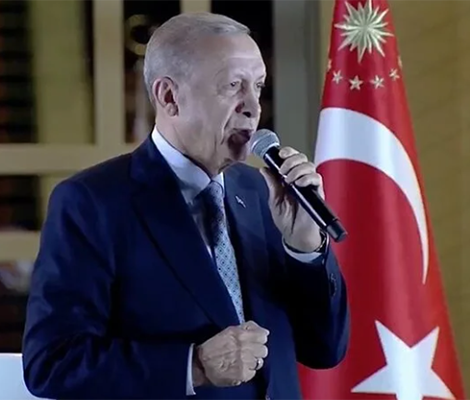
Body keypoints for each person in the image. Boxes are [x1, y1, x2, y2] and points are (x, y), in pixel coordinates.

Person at [22, 12, 350, 400]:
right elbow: (53, 363)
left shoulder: (266, 192)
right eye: (233, 86)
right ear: (169, 97)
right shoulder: (91, 202)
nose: (253, 106)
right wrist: (194, 366)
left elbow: (325, 349)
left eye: (258, 86)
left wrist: (305, 249)